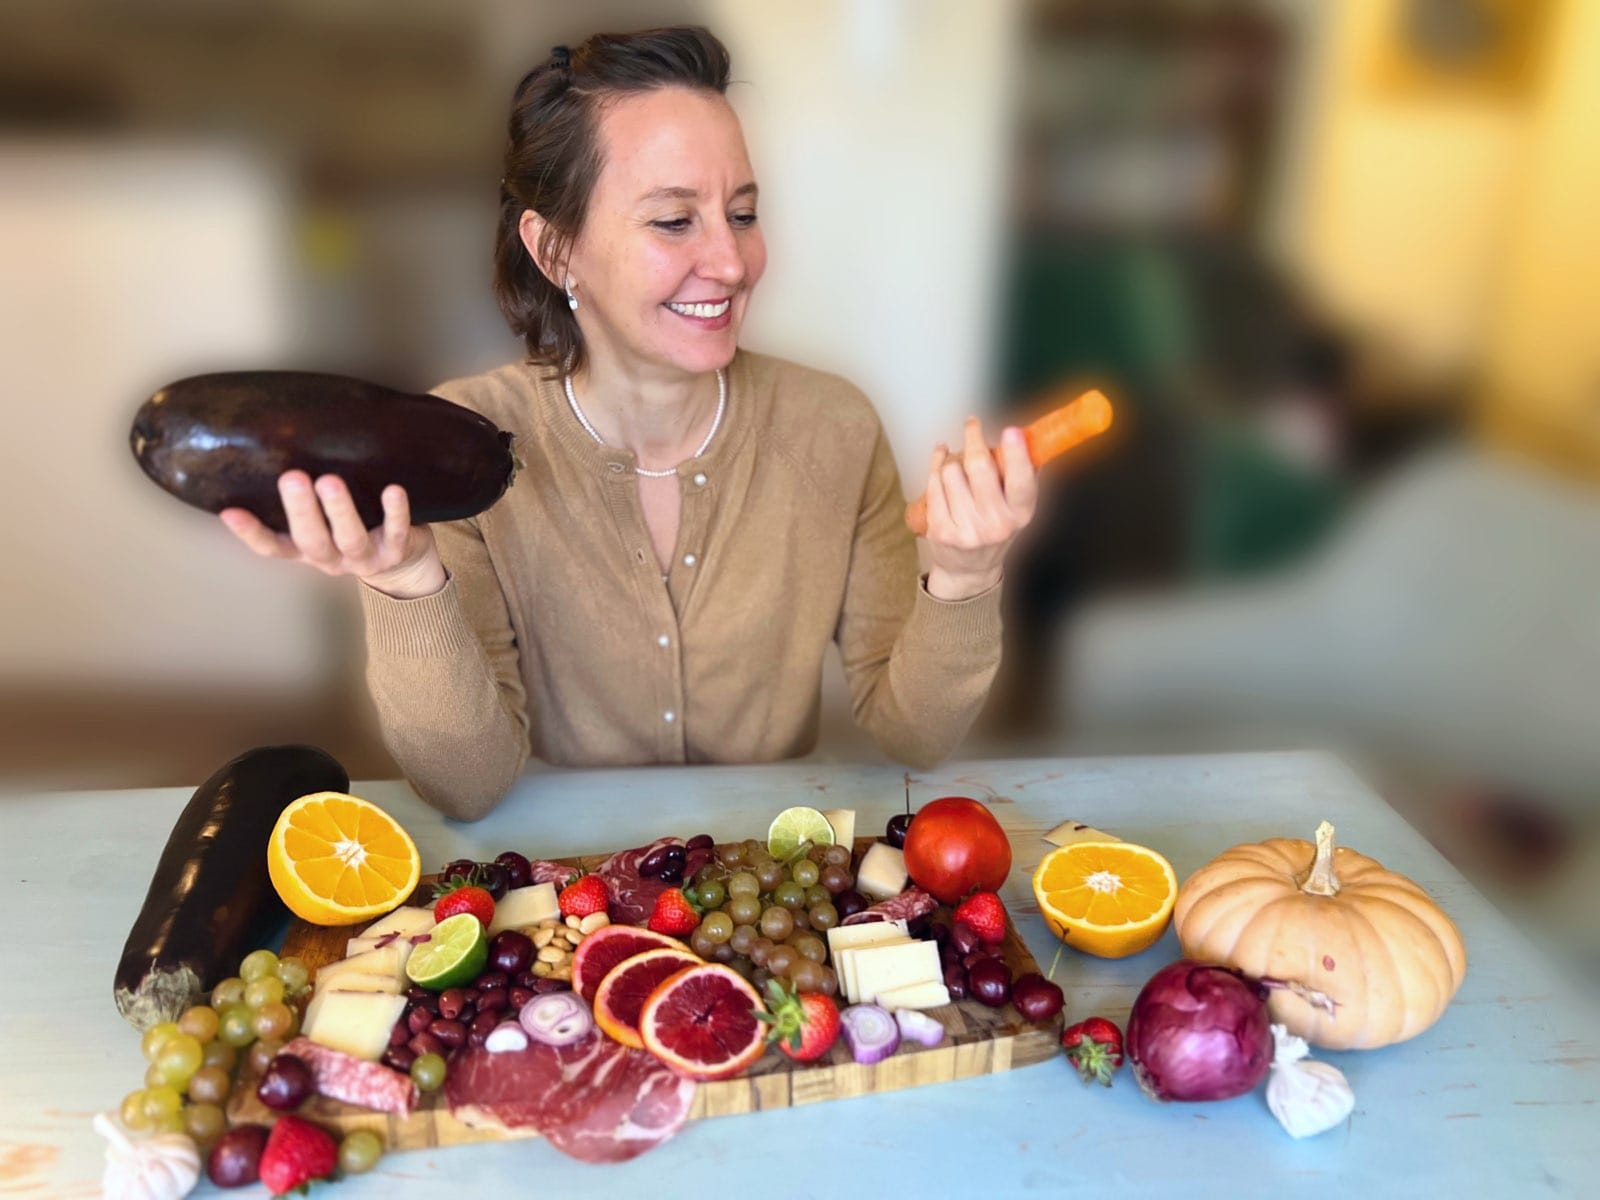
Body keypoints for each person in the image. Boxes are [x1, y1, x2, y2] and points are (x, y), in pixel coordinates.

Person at [219, 27, 1038, 820]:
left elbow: (913, 733)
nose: (730, 261)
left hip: (774, 893)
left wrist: (964, 579)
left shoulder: (834, 426)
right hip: (561, 902)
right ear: (555, 250)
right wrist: (404, 581)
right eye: (674, 220)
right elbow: (466, 787)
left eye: (743, 214)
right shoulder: (464, 442)